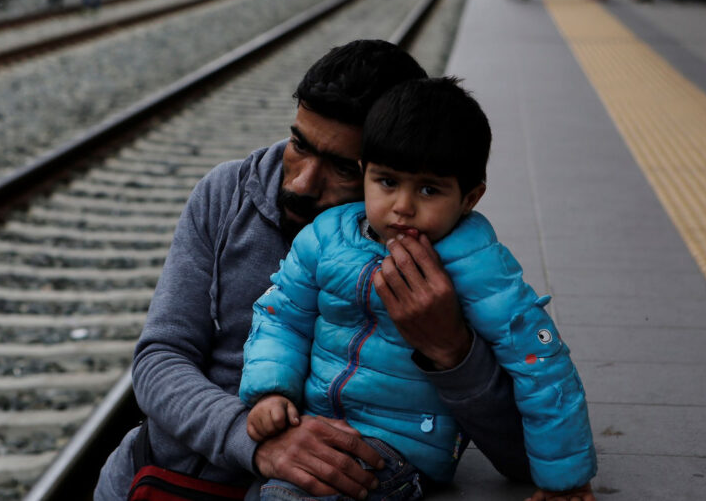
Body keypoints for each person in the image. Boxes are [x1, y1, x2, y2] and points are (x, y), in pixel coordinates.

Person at [96, 41, 534, 500]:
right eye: (299, 144)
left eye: (343, 168)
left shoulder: (450, 259)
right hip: (157, 482)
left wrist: (451, 349)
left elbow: (521, 455)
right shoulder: (225, 195)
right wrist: (254, 440)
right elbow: (159, 359)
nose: (302, 183)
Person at [240, 77, 598, 501]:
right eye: (387, 182)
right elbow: (282, 317)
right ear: (363, 173)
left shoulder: (477, 265)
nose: (403, 206)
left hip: (400, 449)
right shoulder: (326, 238)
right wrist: (270, 390)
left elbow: (541, 364)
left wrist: (565, 479)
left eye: (429, 189)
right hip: (314, 424)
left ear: (470, 198)